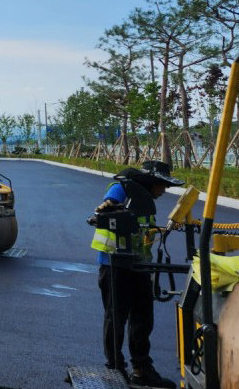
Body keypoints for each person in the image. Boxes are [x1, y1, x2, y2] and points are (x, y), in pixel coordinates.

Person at [89, 160, 182, 388]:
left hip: (139, 265)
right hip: (114, 264)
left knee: (143, 318)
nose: (163, 191)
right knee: (116, 317)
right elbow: (109, 201)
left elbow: (142, 229)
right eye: (162, 186)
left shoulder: (145, 199)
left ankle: (142, 368)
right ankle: (115, 367)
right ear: (152, 182)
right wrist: (110, 205)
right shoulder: (124, 188)